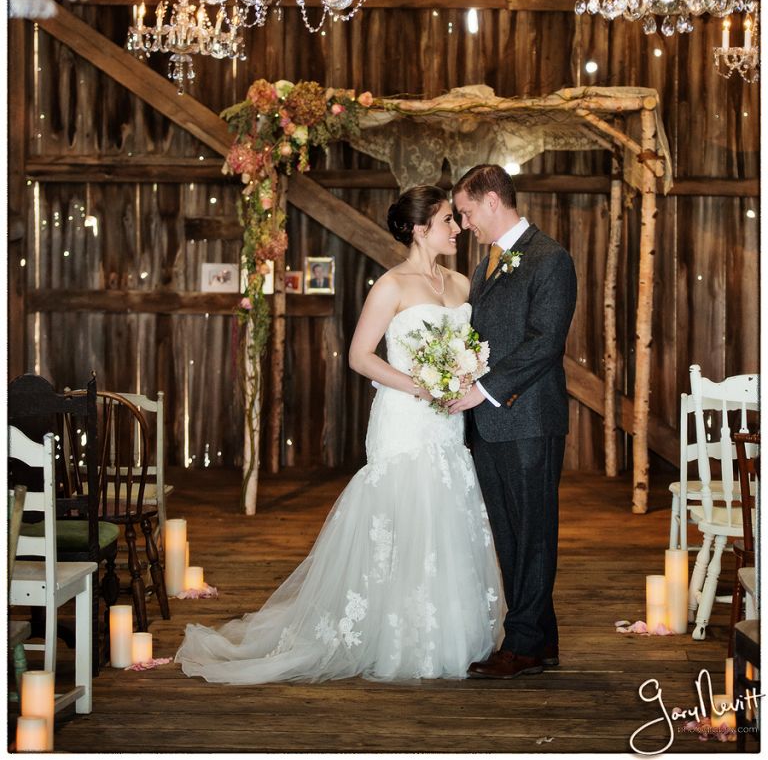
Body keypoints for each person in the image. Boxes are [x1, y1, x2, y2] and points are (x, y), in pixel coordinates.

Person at [176, 185, 501, 684]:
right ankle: (392, 635)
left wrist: (462, 376)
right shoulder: (391, 285)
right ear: (419, 229)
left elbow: (472, 347)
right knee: (402, 518)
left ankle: (443, 633)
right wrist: (422, 385)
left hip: (447, 421)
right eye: (445, 221)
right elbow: (360, 356)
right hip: (405, 418)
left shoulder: (461, 284)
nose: (456, 228)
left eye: (456, 221)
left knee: (444, 515)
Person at [449, 163, 577, 680]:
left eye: (466, 211)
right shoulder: (485, 266)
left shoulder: (551, 259)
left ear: (492, 201)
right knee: (510, 533)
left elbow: (546, 342)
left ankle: (522, 642)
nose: (464, 223)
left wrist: (481, 389)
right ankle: (541, 640)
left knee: (534, 532)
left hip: (529, 417)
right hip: (491, 425)